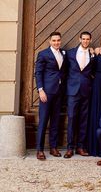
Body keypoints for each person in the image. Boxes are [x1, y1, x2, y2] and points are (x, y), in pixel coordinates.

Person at [35, 31, 67, 160]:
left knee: (55, 121)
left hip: (59, 92)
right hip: (46, 93)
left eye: (58, 40)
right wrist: (41, 90)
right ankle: (39, 149)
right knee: (43, 121)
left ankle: (53, 148)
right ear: (50, 41)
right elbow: (38, 73)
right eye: (54, 41)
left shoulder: (63, 53)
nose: (56, 42)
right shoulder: (43, 54)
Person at [64, 31, 95, 158]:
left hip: (86, 90)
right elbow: (65, 70)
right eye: (83, 39)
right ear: (79, 39)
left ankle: (81, 147)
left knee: (84, 120)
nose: (85, 41)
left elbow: (93, 71)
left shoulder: (93, 55)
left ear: (90, 40)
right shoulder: (70, 53)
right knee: (72, 118)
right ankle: (70, 148)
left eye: (88, 39)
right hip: (72, 91)